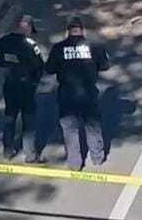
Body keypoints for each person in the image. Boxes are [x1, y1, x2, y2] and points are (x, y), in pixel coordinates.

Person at [45, 16, 110, 170]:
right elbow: (105, 65)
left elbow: (49, 69)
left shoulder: (58, 48)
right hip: (88, 92)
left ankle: (74, 163)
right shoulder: (94, 46)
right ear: (82, 30)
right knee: (92, 125)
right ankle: (97, 157)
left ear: (68, 31)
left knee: (70, 130)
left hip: (67, 94)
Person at [0, 14, 45, 162]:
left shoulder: (3, 41)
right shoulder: (30, 45)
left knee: (9, 117)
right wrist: (35, 81)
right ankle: (30, 154)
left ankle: (7, 150)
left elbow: (0, 62)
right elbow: (40, 66)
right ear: (28, 28)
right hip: (26, 86)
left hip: (10, 84)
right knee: (28, 120)